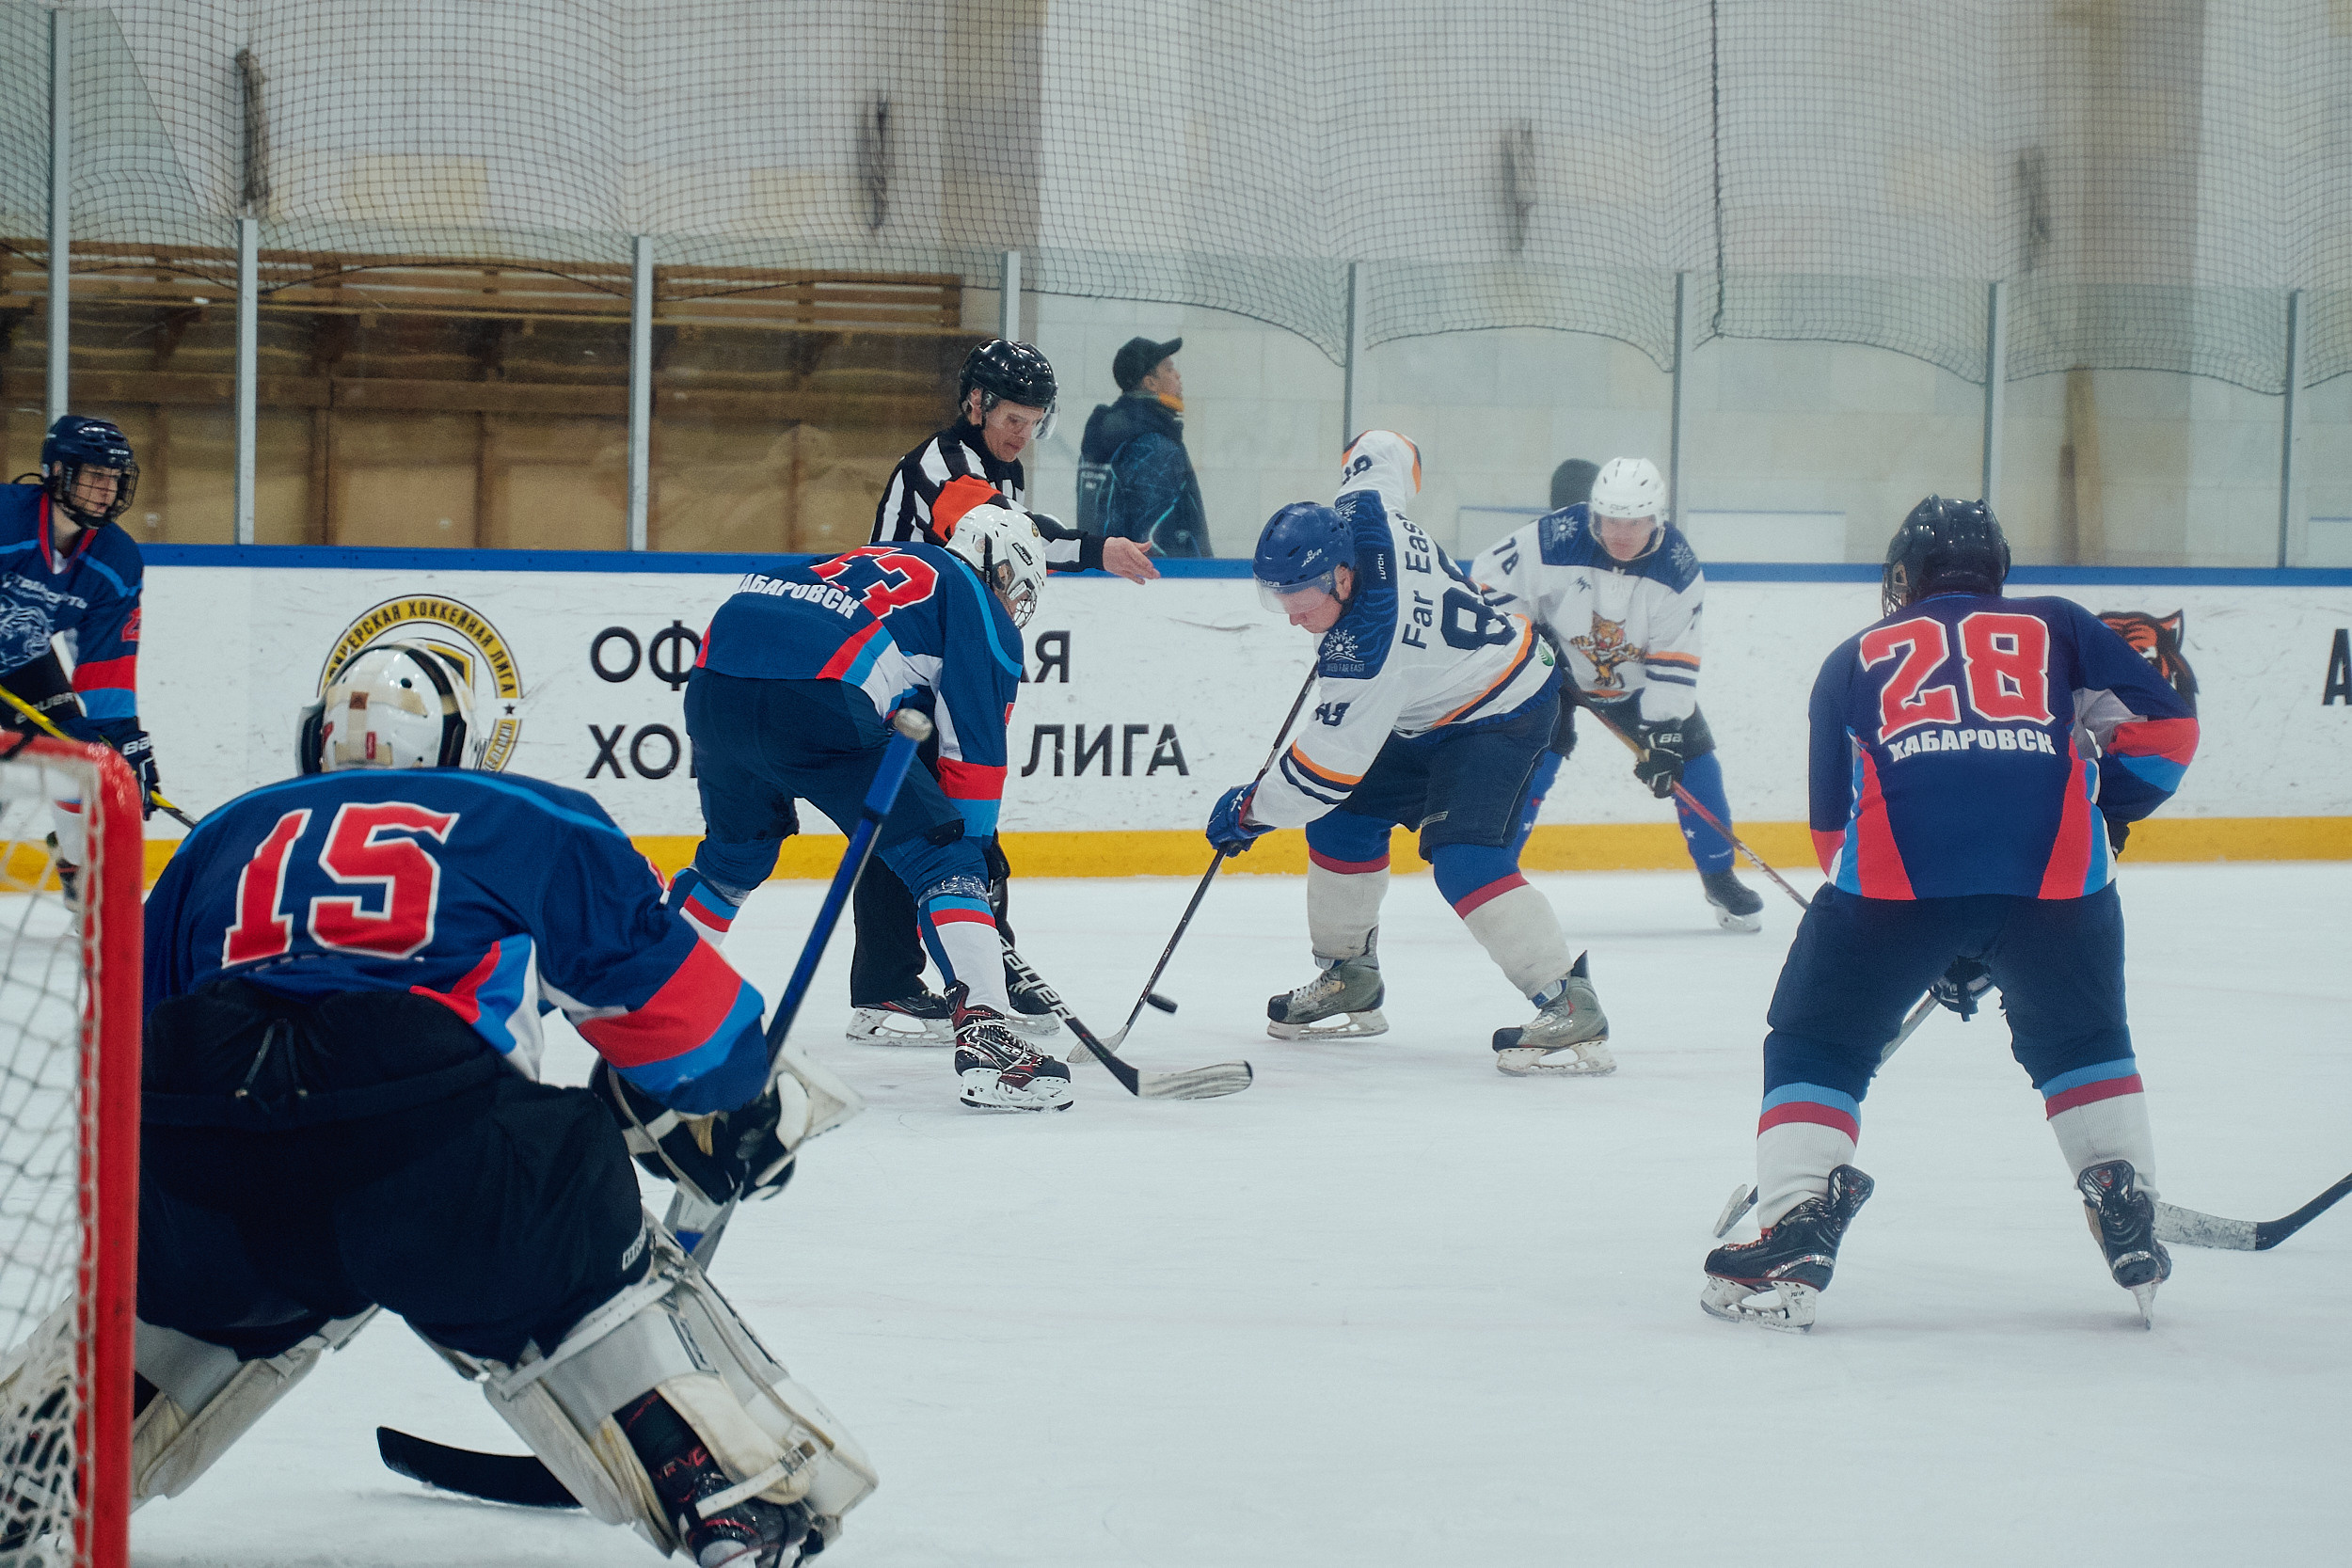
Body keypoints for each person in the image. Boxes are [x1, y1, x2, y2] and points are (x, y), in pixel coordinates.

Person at [69, 643, 875, 1566]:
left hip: (204, 1132)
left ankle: (39, 1458)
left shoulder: (220, 835)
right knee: (573, 1219)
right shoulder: (526, 813)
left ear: (316, 738)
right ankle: (717, 1492)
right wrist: (732, 1108)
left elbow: (122, 1042)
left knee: (195, 1255)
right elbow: (684, 1029)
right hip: (425, 1137)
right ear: (462, 742)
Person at [1699, 499, 2200, 1332]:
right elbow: (2169, 728)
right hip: (2060, 885)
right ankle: (2124, 1197)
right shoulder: (2060, 624)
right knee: (2082, 1041)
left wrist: (1933, 937)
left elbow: (1832, 836)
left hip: (1896, 888)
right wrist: (2100, 808)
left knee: (1818, 1039)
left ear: (1905, 576)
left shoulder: (1854, 656)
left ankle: (1795, 1227)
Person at [1203, 431, 1615, 1077]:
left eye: (1302, 600)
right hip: (1427, 706)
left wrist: (1250, 812)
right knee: (1342, 821)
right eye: (1279, 597)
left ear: (1343, 576)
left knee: (1464, 860)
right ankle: (1350, 977)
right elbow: (1386, 447)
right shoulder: (1365, 511)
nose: (1291, 617)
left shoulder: (1368, 652)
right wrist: (1360, 449)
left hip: (1503, 707)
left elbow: (1319, 775)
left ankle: (1569, 1001)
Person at [677, 484, 1073, 1112]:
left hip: (714, 675)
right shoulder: (974, 599)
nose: (1013, 604)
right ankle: (991, 1043)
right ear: (998, 566)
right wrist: (975, 850)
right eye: (1015, 587)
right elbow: (975, 751)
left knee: (733, 858)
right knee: (947, 861)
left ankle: (649, 996)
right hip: (817, 688)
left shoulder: (880, 559)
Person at [855, 340, 1157, 1046]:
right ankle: (894, 986)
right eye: (1013, 418)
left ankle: (975, 967)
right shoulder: (942, 465)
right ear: (975, 404)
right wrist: (1099, 547)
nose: (1023, 434)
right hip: (898, 669)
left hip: (935, 664)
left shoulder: (999, 468)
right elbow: (1007, 535)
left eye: (1035, 422)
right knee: (920, 822)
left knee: (946, 820)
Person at [1471, 455, 1766, 932]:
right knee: (1532, 755)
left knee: (1694, 758)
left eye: (1635, 522)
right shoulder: (1553, 537)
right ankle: (1495, 877)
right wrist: (1527, 636)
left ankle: (1719, 876)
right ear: (1594, 513)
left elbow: (1674, 654)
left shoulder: (1678, 568)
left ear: (1657, 518)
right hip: (1553, 667)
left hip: (1640, 678)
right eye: (1611, 520)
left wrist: (1665, 734)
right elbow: (1488, 582)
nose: (1621, 533)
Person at [1, 415, 164, 893]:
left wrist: (123, 737)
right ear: (56, 472)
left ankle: (78, 872)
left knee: (89, 763)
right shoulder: (6, 520)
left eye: (114, 478)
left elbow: (106, 661)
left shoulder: (116, 560)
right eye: (94, 475)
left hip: (24, 660)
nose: (106, 490)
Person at [1076, 336, 1211, 557]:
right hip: (1163, 574)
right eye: (1169, 369)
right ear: (1150, 383)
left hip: (1105, 569)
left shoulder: (1108, 435)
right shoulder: (1153, 445)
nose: (1178, 375)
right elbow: (1152, 538)